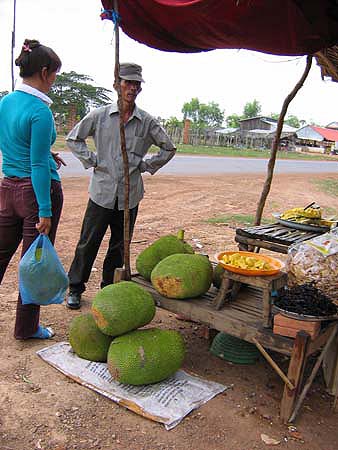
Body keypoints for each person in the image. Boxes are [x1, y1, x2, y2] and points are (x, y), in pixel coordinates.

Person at [66, 62, 176, 309]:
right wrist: (92, 160)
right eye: (128, 82)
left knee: (119, 245)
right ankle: (75, 287)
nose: (132, 88)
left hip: (130, 195)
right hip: (102, 192)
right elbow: (75, 138)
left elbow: (169, 147)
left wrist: (146, 165)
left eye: (136, 84)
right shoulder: (100, 115)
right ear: (117, 84)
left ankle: (109, 289)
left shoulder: (146, 121)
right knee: (88, 241)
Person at [0, 39, 65, 340]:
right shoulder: (41, 112)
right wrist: (45, 211)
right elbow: (37, 165)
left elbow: (15, 144)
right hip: (36, 193)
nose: (54, 81)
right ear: (43, 71)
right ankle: (26, 329)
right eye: (54, 74)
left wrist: (47, 153)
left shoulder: (5, 102)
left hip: (6, 188)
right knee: (33, 263)